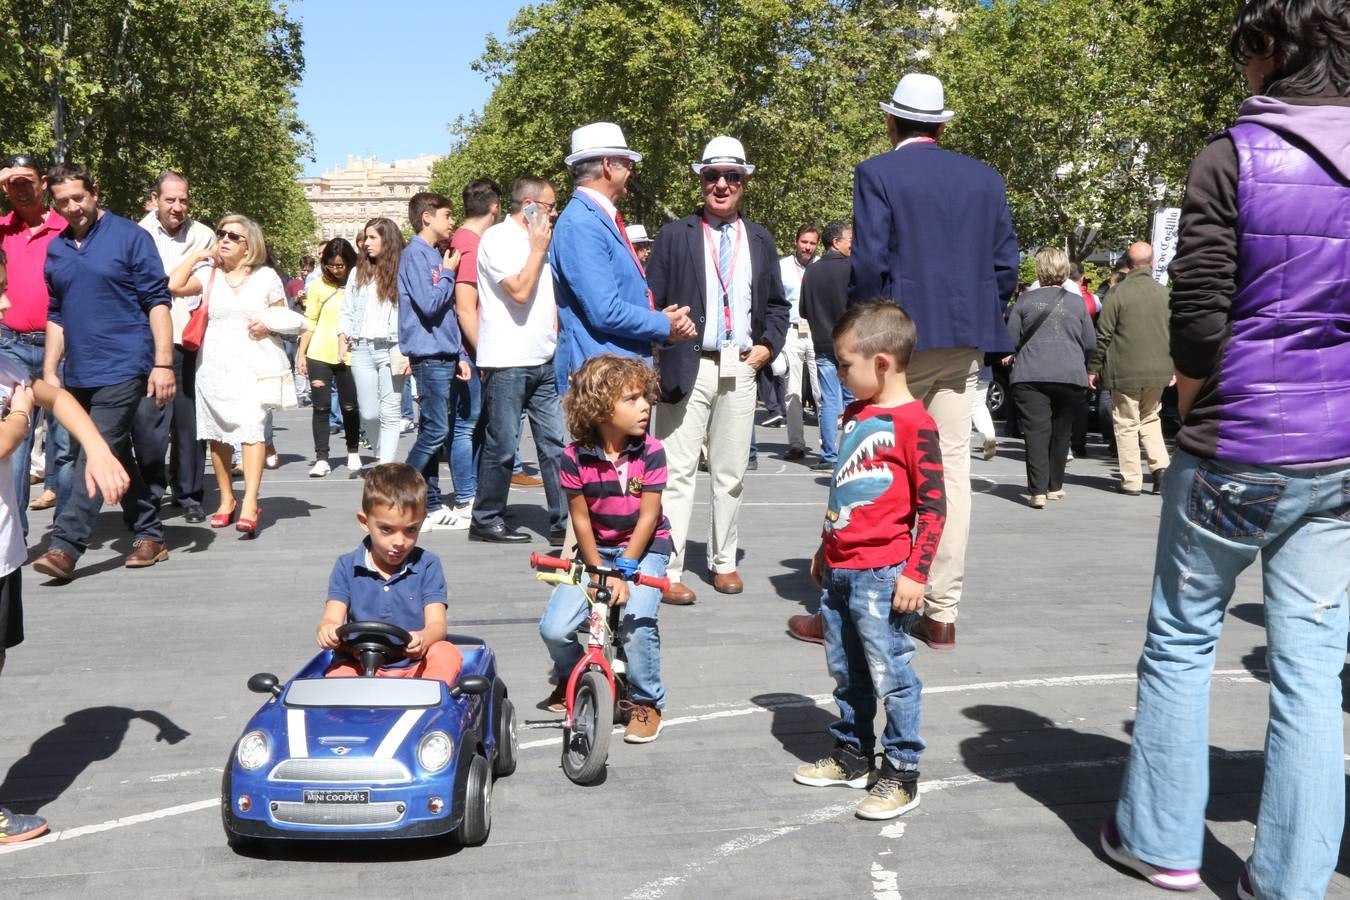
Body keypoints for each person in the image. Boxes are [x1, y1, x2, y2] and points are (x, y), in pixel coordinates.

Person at [1102, 5, 1350, 897]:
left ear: (1275, 51)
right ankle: (1289, 879)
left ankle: (1162, 842)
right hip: (1339, 454)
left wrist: (1195, 414)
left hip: (1237, 444)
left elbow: (1201, 326)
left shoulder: (1233, 154)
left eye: (1247, 46)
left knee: (1180, 637)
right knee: (1315, 669)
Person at [849, 71, 1019, 650]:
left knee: (875, 460)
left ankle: (860, 594)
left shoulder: (878, 172)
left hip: (900, 340)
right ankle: (942, 608)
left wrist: (862, 332)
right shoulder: (984, 178)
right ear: (943, 125)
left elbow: (870, 262)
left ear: (891, 120)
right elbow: (1005, 267)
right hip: (965, 338)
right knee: (950, 471)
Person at [790, 300, 945, 821]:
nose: (839, 374)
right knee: (846, 668)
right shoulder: (856, 413)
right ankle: (854, 753)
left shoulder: (915, 423)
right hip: (839, 569)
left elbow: (934, 508)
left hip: (884, 575)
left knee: (891, 672)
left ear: (881, 363)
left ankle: (901, 771)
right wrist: (822, 547)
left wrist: (915, 573)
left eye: (844, 364)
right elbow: (843, 489)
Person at [0, 247, 132, 841]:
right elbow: (17, 425)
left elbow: (56, 397)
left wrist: (98, 449)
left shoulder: (6, 367)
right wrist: (18, 425)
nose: (5, 303)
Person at [648, 136, 790, 604]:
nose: (722, 185)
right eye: (713, 176)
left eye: (732, 176)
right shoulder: (674, 235)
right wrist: (665, 330)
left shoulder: (761, 238)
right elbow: (652, 301)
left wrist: (768, 347)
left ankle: (723, 561)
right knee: (675, 472)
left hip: (741, 367)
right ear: (701, 181)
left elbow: (776, 304)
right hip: (688, 363)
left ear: (745, 182)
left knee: (731, 472)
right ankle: (666, 568)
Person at [30, 163, 175, 581]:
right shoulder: (56, 249)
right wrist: (51, 370)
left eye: (79, 197)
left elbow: (157, 302)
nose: (73, 207)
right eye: (62, 202)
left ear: (95, 193)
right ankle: (150, 533)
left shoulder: (131, 237)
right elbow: (56, 313)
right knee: (113, 453)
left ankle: (65, 545)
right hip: (77, 372)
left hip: (125, 364)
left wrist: (162, 363)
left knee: (89, 455)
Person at [538, 355, 673, 743]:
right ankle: (569, 678)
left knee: (637, 625)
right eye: (631, 399)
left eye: (644, 397)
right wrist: (598, 571)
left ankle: (647, 702)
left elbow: (649, 518)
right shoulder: (574, 457)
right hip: (597, 551)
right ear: (598, 408)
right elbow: (580, 521)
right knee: (554, 628)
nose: (645, 405)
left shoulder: (651, 451)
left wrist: (627, 569)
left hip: (645, 549)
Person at [166, 214, 296, 539]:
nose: (224, 239)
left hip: (253, 364)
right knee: (218, 435)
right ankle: (226, 499)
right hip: (212, 365)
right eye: (221, 234)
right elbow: (174, 285)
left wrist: (268, 325)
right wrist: (197, 255)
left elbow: (282, 316)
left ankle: (250, 501)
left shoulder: (266, 277)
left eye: (233, 236)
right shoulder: (210, 274)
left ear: (248, 245)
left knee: (252, 429)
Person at [549, 121, 696, 392]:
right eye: (627, 163)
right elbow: (605, 311)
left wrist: (661, 324)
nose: (631, 170)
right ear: (608, 165)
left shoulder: (594, 218)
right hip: (604, 380)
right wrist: (663, 323)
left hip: (617, 373)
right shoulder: (581, 223)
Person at [469, 176, 566, 545]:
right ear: (529, 205)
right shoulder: (497, 239)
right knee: (504, 443)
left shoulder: (540, 240)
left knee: (554, 443)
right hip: (507, 359)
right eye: (549, 206)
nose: (554, 214)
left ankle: (561, 520)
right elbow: (521, 292)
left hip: (542, 357)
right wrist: (538, 249)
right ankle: (486, 516)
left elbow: (548, 297)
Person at [317, 462, 463, 685]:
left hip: (414, 667)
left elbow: (437, 625)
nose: (399, 542)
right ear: (365, 522)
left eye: (411, 530)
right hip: (359, 664)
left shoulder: (427, 564)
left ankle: (428, 705)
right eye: (386, 530)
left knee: (446, 652)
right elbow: (331, 617)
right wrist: (328, 630)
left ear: (421, 522)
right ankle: (344, 714)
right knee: (335, 677)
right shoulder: (346, 566)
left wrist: (423, 638)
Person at [135, 170, 215, 523]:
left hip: (189, 338)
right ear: (154, 200)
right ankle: (150, 494)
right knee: (149, 422)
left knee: (188, 422)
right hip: (146, 340)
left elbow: (208, 284)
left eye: (183, 199)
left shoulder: (204, 235)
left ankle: (189, 494)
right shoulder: (136, 234)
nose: (178, 206)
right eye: (170, 199)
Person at [0, 153, 70, 527]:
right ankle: (16, 533)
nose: (20, 190)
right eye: (12, 184)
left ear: (43, 182)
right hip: (10, 344)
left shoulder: (66, 225)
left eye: (27, 181)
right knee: (16, 441)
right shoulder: (2, 228)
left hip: (60, 346)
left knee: (64, 441)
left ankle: (64, 536)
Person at [400, 193, 471, 532]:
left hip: (441, 351)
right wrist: (448, 273)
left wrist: (458, 352)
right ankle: (398, 493)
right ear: (427, 217)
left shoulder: (432, 254)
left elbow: (448, 315)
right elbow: (430, 305)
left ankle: (429, 503)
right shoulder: (416, 254)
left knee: (433, 428)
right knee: (436, 430)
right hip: (428, 355)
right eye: (446, 215)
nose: (451, 221)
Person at [1003, 248, 1096, 508]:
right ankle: (1055, 486)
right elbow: (1090, 342)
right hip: (1070, 374)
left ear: (1039, 270)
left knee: (1036, 432)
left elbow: (1011, 339)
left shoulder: (1024, 300)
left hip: (1031, 374)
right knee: (1061, 432)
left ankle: (1037, 491)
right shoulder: (1077, 302)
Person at [1088, 241, 1173, 496]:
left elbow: (1103, 334)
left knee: (1126, 423)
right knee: (1150, 418)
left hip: (1124, 370)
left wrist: (1094, 367)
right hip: (1158, 371)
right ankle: (1161, 470)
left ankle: (1132, 480)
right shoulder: (1166, 293)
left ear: (1127, 263)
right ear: (1153, 262)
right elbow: (1178, 333)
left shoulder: (1117, 293)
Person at [339, 218, 406, 466]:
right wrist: (342, 337)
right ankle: (380, 450)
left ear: (387, 240)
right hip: (362, 348)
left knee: (390, 410)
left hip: (393, 347)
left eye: (372, 238)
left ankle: (385, 465)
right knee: (368, 412)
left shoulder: (402, 271)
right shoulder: (358, 272)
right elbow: (347, 310)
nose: (365, 243)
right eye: (365, 238)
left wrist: (408, 350)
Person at [298, 238, 361, 477]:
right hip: (319, 353)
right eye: (331, 265)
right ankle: (322, 458)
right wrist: (301, 354)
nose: (336, 270)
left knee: (349, 406)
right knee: (321, 406)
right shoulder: (316, 287)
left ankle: (353, 450)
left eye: (341, 265)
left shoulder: (359, 284)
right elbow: (310, 321)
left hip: (350, 354)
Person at [800, 220, 854, 472]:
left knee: (829, 399)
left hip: (822, 341)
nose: (853, 246)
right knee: (853, 397)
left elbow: (803, 309)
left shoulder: (812, 270)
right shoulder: (853, 268)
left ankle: (828, 454)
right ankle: (852, 451)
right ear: (836, 242)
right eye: (850, 241)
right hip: (852, 343)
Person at [780, 224, 820, 461]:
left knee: (821, 391)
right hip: (791, 332)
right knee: (792, 390)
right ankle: (796, 443)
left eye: (812, 243)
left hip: (817, 333)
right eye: (804, 242)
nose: (807, 247)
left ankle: (828, 446)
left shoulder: (821, 267)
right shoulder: (782, 267)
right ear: (796, 241)